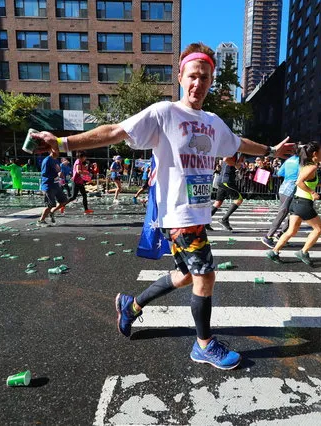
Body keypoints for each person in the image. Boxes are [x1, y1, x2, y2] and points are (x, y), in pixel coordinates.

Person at [30, 42, 295, 370]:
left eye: (206, 78)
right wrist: (62, 142)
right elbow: (114, 131)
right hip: (178, 215)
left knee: (186, 275)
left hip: (196, 213)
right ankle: (203, 345)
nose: (199, 83)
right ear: (181, 77)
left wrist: (270, 151)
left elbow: (239, 144)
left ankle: (132, 306)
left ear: (212, 82)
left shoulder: (213, 122)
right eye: (194, 76)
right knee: (206, 277)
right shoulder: (164, 113)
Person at [266, 141, 321, 267]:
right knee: (318, 229)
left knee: (291, 231)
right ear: (315, 154)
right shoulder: (312, 167)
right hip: (304, 203)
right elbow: (299, 182)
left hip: (296, 202)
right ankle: (303, 252)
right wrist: (313, 193)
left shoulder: (306, 165)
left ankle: (274, 252)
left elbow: (307, 180)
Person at [261, 153, 300, 248]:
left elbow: (279, 173)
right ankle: (268, 236)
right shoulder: (302, 162)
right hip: (291, 189)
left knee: (294, 214)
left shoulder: (289, 160)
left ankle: (281, 235)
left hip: (283, 188)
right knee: (283, 213)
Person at [209, 154, 245, 231]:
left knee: (218, 202)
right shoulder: (233, 150)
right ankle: (224, 219)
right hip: (227, 180)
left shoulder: (229, 150)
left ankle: (204, 222)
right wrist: (236, 165)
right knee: (239, 200)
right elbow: (225, 159)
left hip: (221, 180)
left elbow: (222, 161)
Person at [38, 148, 68, 224]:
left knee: (64, 200)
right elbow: (44, 174)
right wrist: (56, 174)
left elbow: (58, 170)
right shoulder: (47, 160)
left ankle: (52, 212)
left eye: (58, 150)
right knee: (50, 204)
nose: (58, 152)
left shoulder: (56, 160)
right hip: (48, 185)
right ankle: (41, 220)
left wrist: (60, 175)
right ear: (50, 151)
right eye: (56, 150)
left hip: (56, 185)